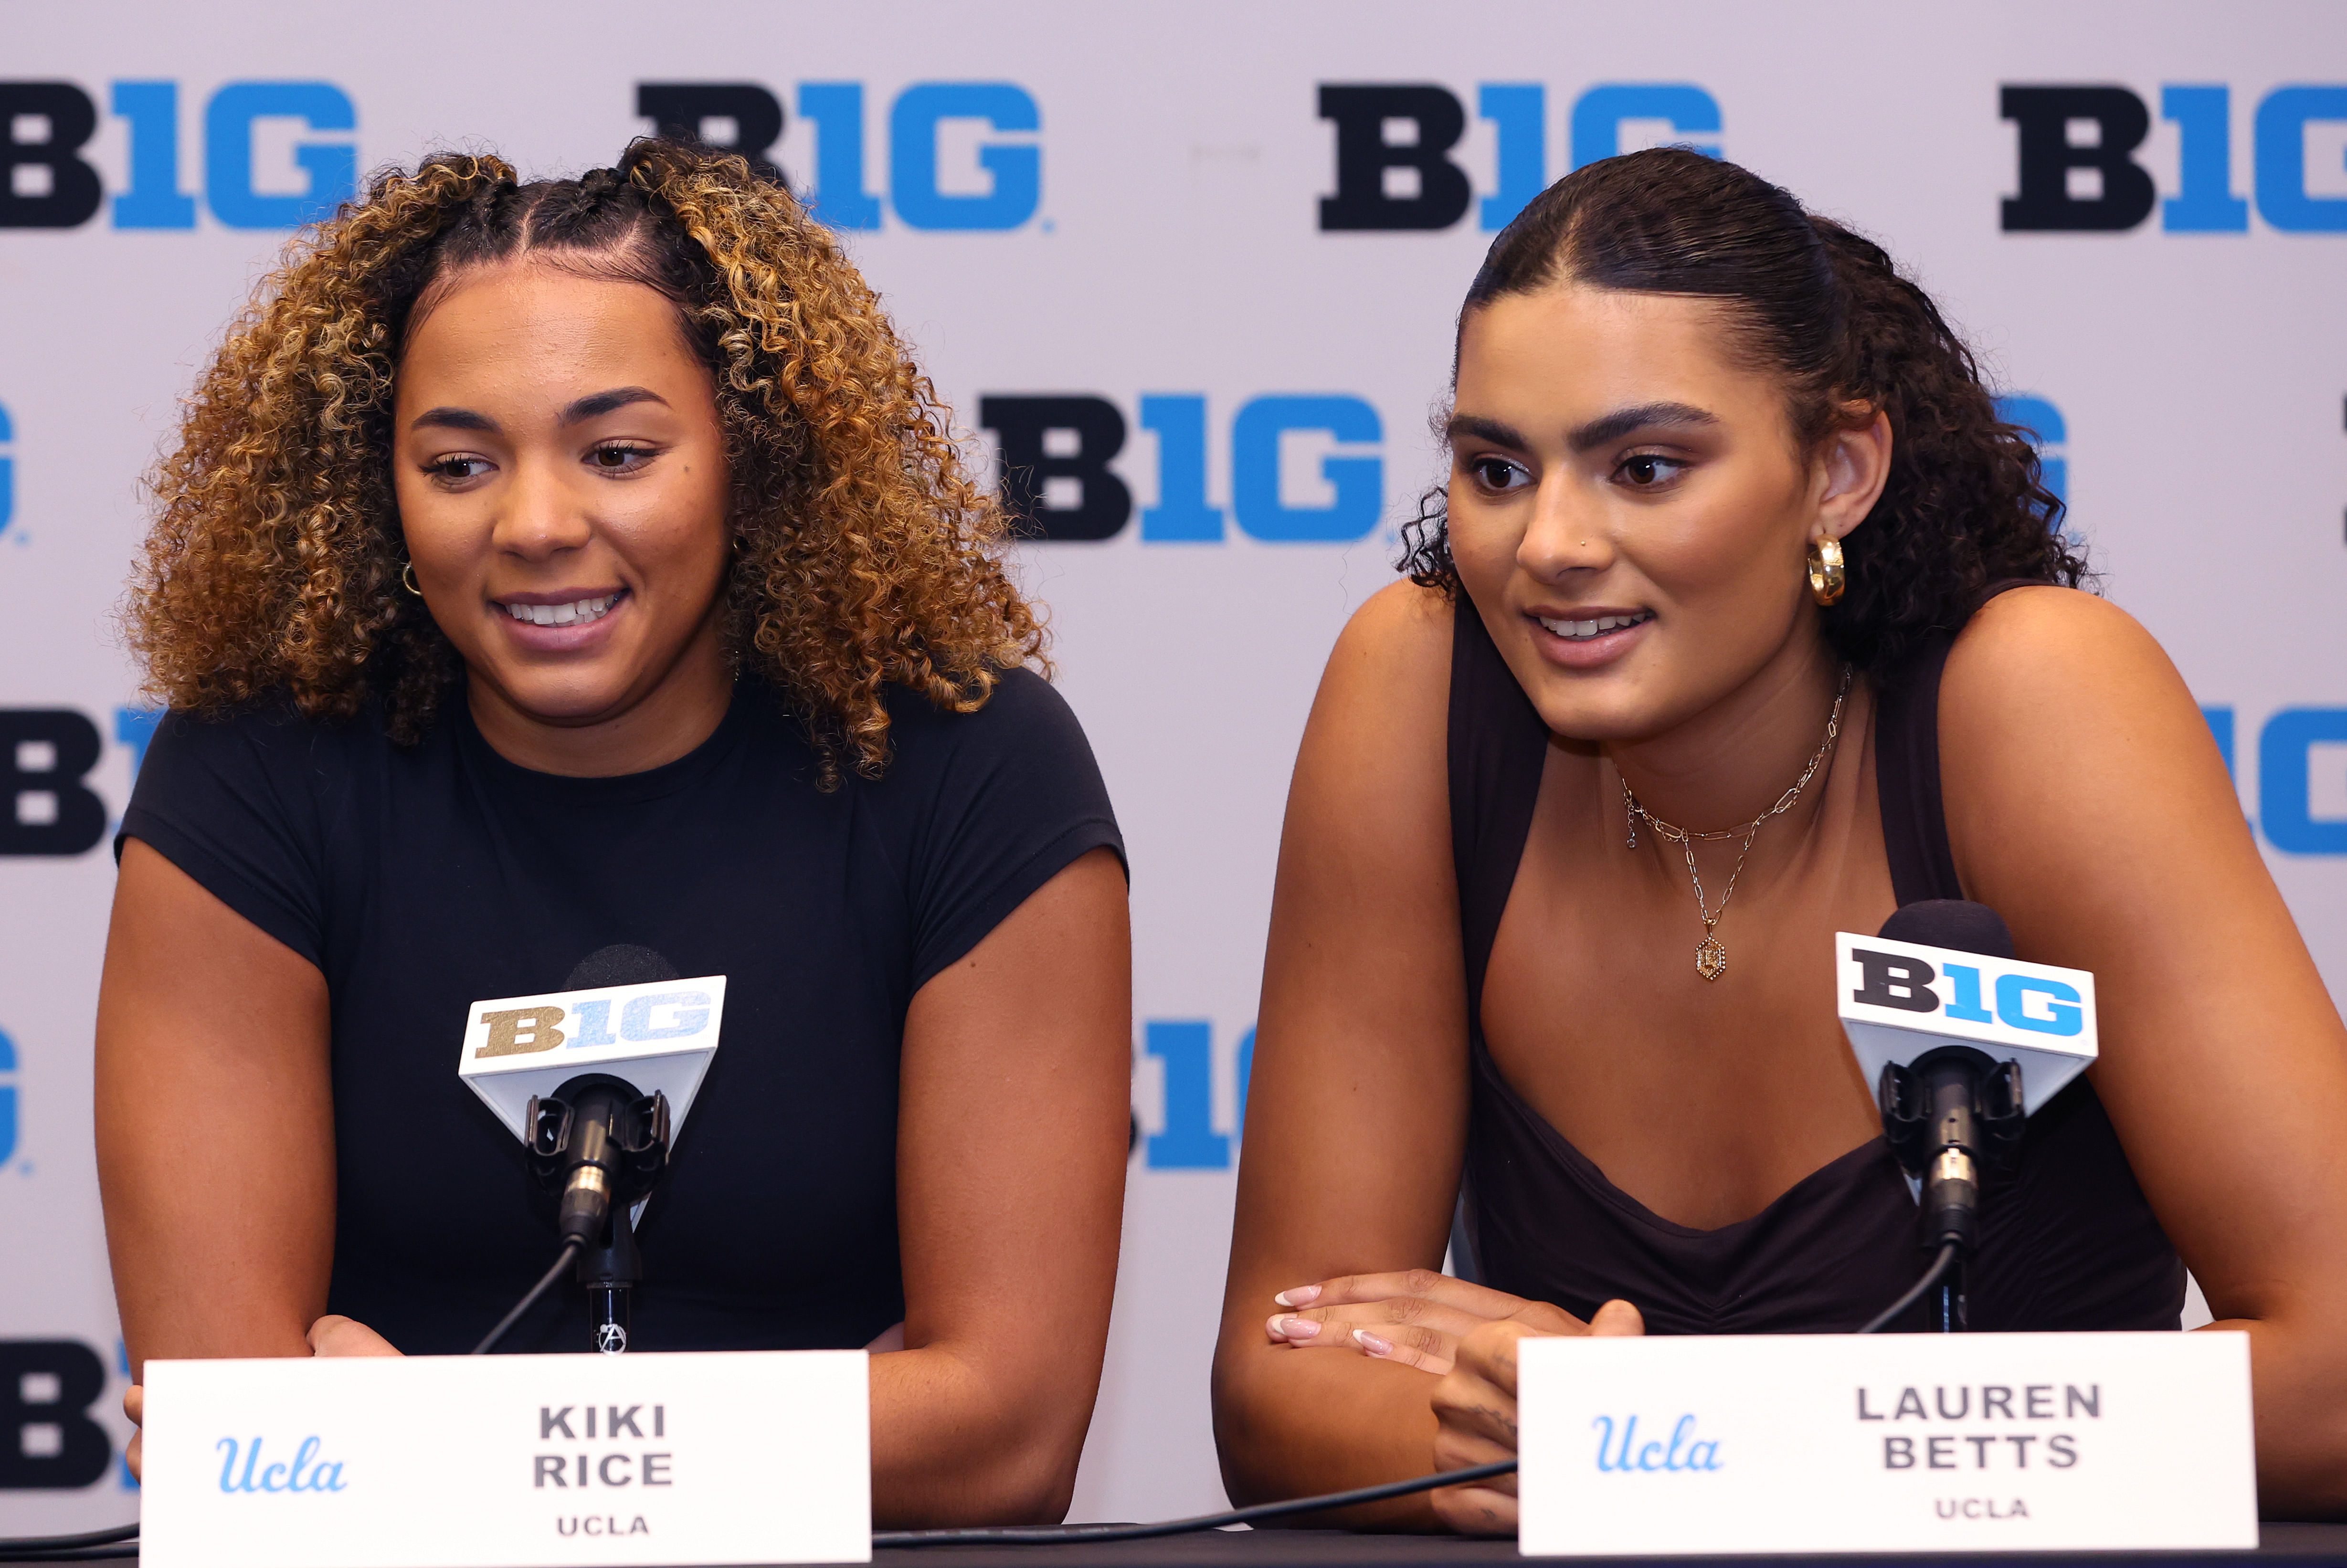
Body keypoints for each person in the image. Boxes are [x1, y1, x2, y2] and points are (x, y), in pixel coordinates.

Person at [1213, 148, 2347, 1529]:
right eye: (1496, 467)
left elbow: (2333, 1379)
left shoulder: (2032, 697)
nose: (1549, 544)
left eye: (1644, 466)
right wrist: (1533, 1437)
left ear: (1838, 471)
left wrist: (1665, 1441)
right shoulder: (1417, 682)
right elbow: (1279, 1392)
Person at [97, 139, 1131, 1527]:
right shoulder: (255, 773)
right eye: (458, 463)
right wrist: (808, 1425)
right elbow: (246, 1455)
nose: (533, 523)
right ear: (380, 493)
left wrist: (439, 1439)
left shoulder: (967, 766)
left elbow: (1005, 1438)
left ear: (749, 464)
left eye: (619, 452)